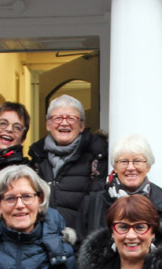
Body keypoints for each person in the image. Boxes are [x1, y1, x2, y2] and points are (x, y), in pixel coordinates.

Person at [29, 94, 108, 229]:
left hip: (81, 242)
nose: (64, 123)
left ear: (81, 126)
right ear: (48, 124)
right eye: (57, 118)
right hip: (45, 241)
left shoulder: (97, 156)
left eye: (71, 118)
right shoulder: (37, 158)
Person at [80, 134, 162, 239]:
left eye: (137, 161)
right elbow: (80, 247)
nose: (130, 167)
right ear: (115, 167)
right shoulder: (92, 202)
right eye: (123, 161)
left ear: (148, 166)